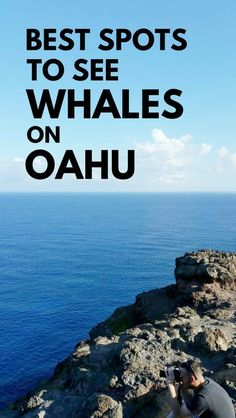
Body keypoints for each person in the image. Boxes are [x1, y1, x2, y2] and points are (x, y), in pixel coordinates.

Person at [165, 359, 235, 418]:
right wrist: (182, 386)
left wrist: (171, 387)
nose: (180, 377)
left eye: (182, 376)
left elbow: (177, 414)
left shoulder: (202, 398)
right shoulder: (207, 381)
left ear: (191, 379)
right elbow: (189, 400)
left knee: (174, 413)